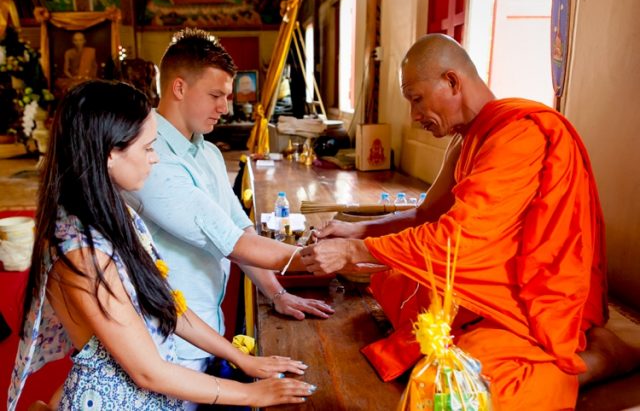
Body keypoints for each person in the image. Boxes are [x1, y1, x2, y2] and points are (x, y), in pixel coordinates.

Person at [300, 33, 640, 410]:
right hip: (487, 278)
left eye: (416, 99)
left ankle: (597, 360)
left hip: (531, 295)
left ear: (452, 81)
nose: (414, 117)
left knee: (459, 387)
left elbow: (459, 239)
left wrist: (352, 251)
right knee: (399, 282)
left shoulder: (520, 135)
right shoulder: (467, 139)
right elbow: (426, 214)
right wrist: (357, 230)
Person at [8, 80, 314, 411]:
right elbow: (147, 372)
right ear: (111, 154)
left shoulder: (110, 210)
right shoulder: (82, 252)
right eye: (147, 148)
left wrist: (240, 357)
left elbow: (164, 302)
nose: (154, 159)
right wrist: (252, 394)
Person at [123, 28, 334, 408]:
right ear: (179, 88)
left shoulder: (209, 154)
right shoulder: (149, 157)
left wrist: (276, 291)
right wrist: (317, 257)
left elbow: (240, 227)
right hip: (168, 342)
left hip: (207, 330)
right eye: (216, 95)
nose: (225, 106)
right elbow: (231, 240)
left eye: (228, 96)